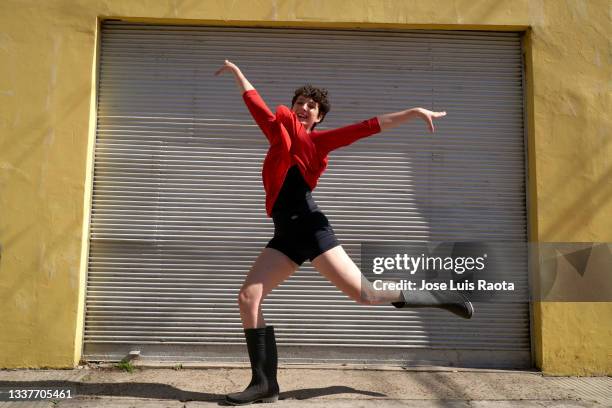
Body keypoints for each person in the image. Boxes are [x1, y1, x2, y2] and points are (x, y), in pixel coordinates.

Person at [214, 60, 473, 405]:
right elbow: (254, 100)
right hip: (286, 233)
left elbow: (369, 126)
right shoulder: (277, 133)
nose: (304, 107)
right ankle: (264, 384)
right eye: (300, 102)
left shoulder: (318, 143)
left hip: (310, 225)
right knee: (248, 297)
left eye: (312, 105)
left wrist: (412, 112)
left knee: (365, 295)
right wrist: (236, 72)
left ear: (319, 117)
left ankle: (439, 296)